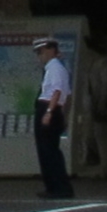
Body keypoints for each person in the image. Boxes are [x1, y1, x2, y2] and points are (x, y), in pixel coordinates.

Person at [31, 35, 74, 197]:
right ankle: (54, 186)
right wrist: (64, 116)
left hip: (48, 107)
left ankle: (58, 187)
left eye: (41, 51)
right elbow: (67, 95)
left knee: (48, 151)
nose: (39, 56)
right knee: (49, 150)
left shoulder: (54, 67)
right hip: (56, 110)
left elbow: (56, 91)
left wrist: (49, 112)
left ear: (50, 50)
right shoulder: (58, 67)